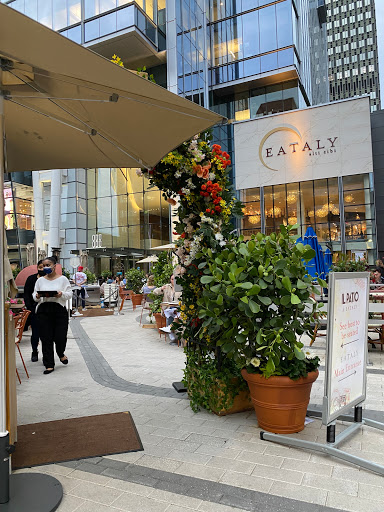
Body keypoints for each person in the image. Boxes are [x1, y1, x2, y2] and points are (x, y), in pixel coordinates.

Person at [33, 257, 72, 375]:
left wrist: (61, 294)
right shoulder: (40, 281)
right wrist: (38, 296)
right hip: (44, 310)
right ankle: (49, 364)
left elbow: (69, 294)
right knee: (46, 338)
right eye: (44, 265)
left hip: (59, 310)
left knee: (60, 337)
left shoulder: (63, 279)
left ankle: (60, 353)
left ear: (54, 266)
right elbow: (34, 295)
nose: (46, 267)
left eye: (48, 265)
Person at [23, 260, 44, 362]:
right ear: (37, 268)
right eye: (40, 267)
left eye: (44, 267)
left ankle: (46, 353)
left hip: (47, 309)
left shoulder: (50, 279)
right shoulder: (31, 279)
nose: (42, 269)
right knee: (35, 333)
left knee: (46, 333)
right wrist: (29, 307)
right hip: (34, 309)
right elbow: (26, 294)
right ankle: (34, 351)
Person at [153, 275, 181, 345]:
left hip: (178, 308)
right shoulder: (167, 287)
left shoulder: (180, 287)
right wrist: (161, 289)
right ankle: (172, 337)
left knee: (175, 314)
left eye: (175, 279)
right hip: (168, 308)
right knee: (169, 314)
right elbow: (155, 292)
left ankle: (170, 329)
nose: (173, 281)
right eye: (172, 279)